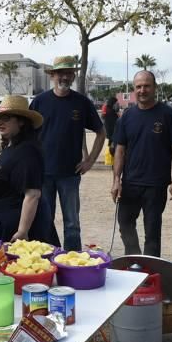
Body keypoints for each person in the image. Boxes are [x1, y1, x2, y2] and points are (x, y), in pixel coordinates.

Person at [30, 56, 105, 250]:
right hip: (43, 173)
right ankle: (46, 260)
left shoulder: (81, 103)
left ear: (73, 76)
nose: (65, 77)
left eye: (69, 73)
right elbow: (27, 134)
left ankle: (71, 262)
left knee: (72, 224)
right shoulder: (39, 102)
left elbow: (101, 132)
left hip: (70, 175)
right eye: (61, 73)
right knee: (44, 221)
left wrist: (89, 160)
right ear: (53, 75)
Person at [111, 71, 172, 257]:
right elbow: (119, 150)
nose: (142, 90)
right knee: (125, 224)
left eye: (146, 86)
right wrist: (116, 180)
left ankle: (150, 270)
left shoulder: (168, 114)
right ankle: (134, 260)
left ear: (154, 87)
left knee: (152, 233)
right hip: (130, 183)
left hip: (156, 184)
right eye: (138, 86)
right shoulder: (126, 117)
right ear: (134, 89)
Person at [0, 95, 59, 244]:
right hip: (1, 222)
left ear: (21, 121)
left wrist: (22, 231)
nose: (0, 122)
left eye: (6, 118)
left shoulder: (28, 151)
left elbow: (32, 194)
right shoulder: (13, 148)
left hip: (15, 228)